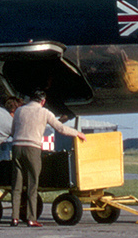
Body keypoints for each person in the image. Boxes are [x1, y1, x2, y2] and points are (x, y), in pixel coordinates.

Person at [9, 92, 85, 227]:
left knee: (17, 184)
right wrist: (77, 133)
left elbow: (13, 130)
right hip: (32, 148)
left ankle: (14, 218)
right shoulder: (44, 112)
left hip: (16, 147)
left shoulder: (20, 110)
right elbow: (60, 128)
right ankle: (31, 218)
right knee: (33, 184)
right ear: (43, 101)